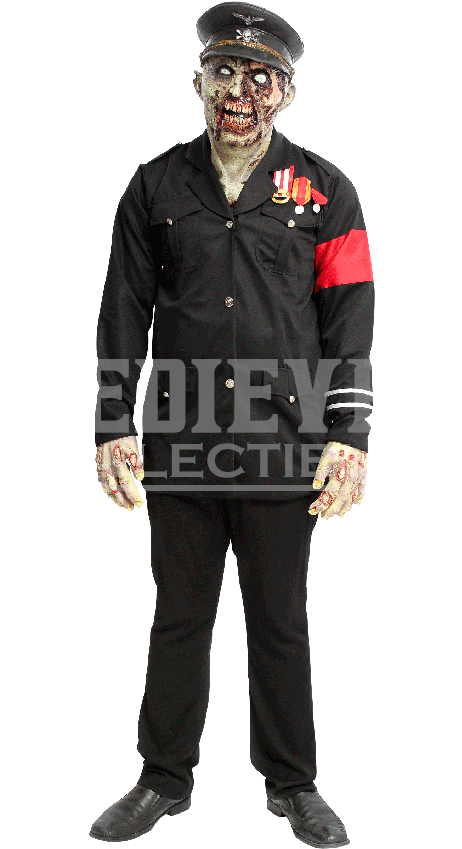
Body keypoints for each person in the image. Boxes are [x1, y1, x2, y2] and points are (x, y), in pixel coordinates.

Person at [91, 2, 374, 844]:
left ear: (285, 93)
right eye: (223, 73)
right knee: (178, 616)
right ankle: (162, 778)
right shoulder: (153, 185)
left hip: (287, 442)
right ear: (198, 84)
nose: (240, 91)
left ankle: (293, 783)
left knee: (280, 620)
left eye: (260, 77)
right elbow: (122, 310)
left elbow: (351, 321)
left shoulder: (328, 189)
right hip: (180, 442)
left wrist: (349, 438)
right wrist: (112, 425)